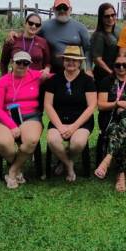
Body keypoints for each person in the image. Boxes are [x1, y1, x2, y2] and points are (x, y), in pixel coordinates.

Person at [0, 51, 47, 189]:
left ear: (29, 65)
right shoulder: (3, 81)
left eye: (26, 63)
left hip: (30, 116)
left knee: (31, 141)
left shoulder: (36, 76)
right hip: (5, 117)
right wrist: (12, 126)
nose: (22, 65)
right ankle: (18, 168)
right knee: (4, 143)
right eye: (19, 62)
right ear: (12, 62)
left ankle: (13, 170)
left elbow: (59, 76)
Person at [43, 45, 97, 182]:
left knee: (77, 143)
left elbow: (91, 106)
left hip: (81, 121)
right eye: (67, 59)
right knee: (52, 140)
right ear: (63, 61)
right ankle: (68, 164)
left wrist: (74, 127)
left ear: (80, 62)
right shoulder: (54, 80)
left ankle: (64, 159)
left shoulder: (88, 80)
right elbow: (48, 105)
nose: (71, 62)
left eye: (74, 60)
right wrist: (60, 126)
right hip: (59, 120)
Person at [94, 55, 126, 192]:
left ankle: (108, 158)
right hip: (109, 119)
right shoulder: (106, 81)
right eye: (118, 65)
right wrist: (117, 104)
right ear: (113, 66)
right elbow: (101, 105)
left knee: (122, 125)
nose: (121, 68)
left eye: (125, 65)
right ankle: (120, 174)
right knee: (119, 131)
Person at [39, 0, 92, 74]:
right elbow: (31, 38)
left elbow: (88, 49)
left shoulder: (81, 28)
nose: (62, 10)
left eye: (65, 8)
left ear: (70, 9)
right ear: (53, 9)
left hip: (75, 72)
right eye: (59, 8)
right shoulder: (44, 26)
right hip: (52, 72)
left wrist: (89, 69)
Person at [90, 3, 121, 87]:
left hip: (117, 72)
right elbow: (97, 59)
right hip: (103, 75)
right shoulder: (98, 35)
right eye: (107, 16)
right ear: (101, 18)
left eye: (113, 15)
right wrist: (111, 72)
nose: (110, 18)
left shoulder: (118, 31)